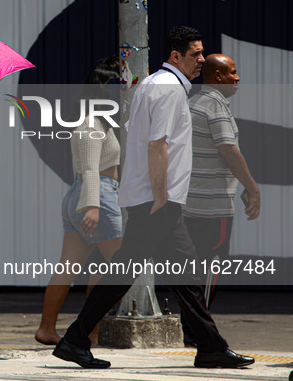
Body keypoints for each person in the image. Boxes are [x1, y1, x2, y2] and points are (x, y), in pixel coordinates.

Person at [52, 26, 255, 369]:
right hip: (156, 201)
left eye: (202, 54)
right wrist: (161, 196)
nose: (200, 60)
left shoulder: (155, 85)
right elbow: (157, 144)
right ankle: (75, 339)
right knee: (136, 273)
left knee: (181, 274)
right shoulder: (167, 89)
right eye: (195, 55)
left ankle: (209, 346)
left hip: (154, 200)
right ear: (176, 56)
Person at [35, 57, 122, 346]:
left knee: (71, 268)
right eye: (118, 86)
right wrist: (94, 206)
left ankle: (49, 329)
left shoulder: (99, 121)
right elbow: (89, 169)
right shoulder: (90, 124)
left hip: (85, 196)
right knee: (121, 268)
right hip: (95, 196)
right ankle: (89, 332)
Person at [181, 54, 260, 344]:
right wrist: (252, 187)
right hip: (213, 206)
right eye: (232, 73)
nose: (237, 78)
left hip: (192, 201)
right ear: (217, 76)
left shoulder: (193, 103)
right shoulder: (215, 105)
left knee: (193, 268)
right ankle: (197, 331)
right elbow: (229, 150)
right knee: (210, 268)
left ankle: (191, 326)